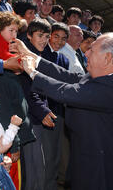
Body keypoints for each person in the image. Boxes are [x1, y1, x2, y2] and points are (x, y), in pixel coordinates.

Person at [17, 32, 113, 190]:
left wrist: (33, 73)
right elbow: (68, 77)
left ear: (108, 58)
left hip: (103, 175)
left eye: (92, 50)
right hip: (87, 164)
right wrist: (34, 57)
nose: (86, 53)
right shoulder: (105, 77)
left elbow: (68, 92)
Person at [18, 19, 57, 190]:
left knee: (38, 166)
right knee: (34, 167)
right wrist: (42, 111)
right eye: (39, 35)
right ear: (28, 35)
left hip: (36, 116)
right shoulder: (25, 57)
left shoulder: (38, 55)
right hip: (29, 119)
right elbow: (28, 89)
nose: (44, 40)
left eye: (47, 37)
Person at [41, 22, 70, 190]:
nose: (59, 42)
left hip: (58, 108)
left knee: (56, 152)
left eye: (63, 39)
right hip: (43, 109)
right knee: (47, 152)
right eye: (56, 36)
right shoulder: (41, 53)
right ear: (49, 35)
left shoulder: (64, 59)